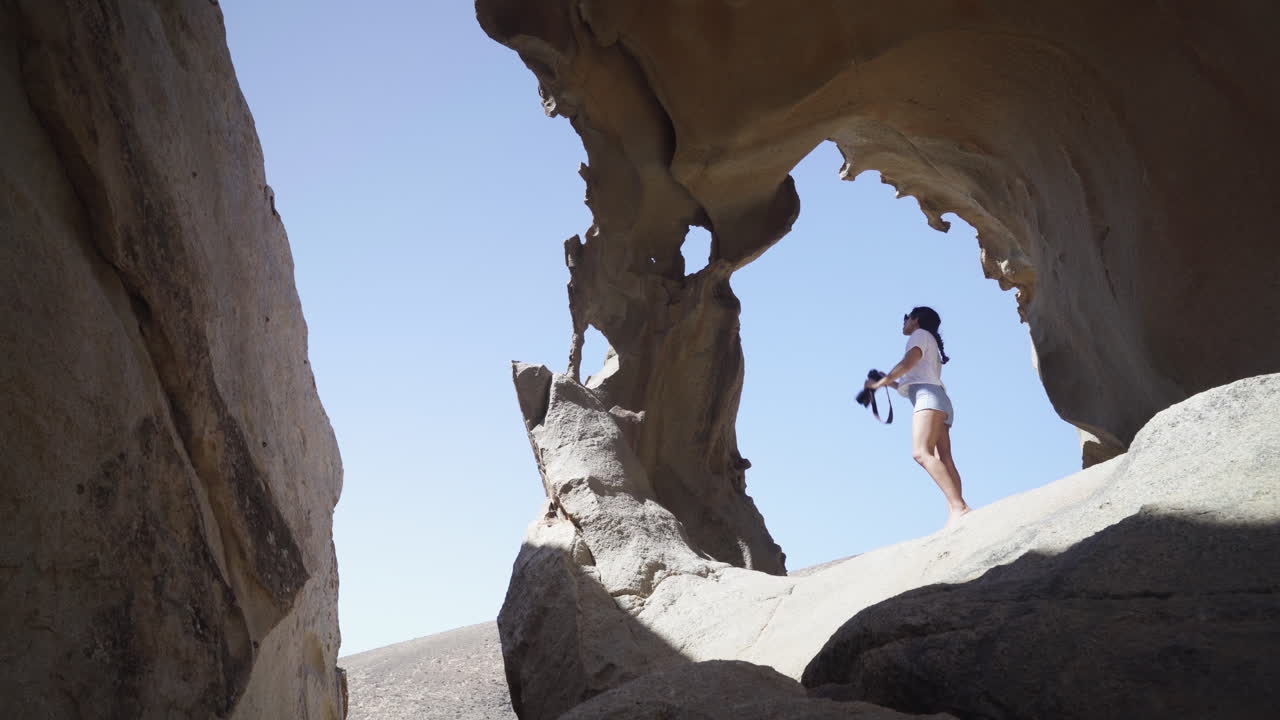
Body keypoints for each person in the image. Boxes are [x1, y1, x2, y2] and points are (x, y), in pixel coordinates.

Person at [863, 306, 972, 529]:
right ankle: (958, 509)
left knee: (921, 453)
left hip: (929, 399)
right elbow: (911, 382)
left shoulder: (919, 335)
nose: (903, 322)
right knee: (944, 457)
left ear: (916, 320)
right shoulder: (928, 339)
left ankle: (959, 507)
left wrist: (880, 383)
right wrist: (886, 382)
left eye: (906, 318)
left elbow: (906, 364)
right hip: (939, 400)